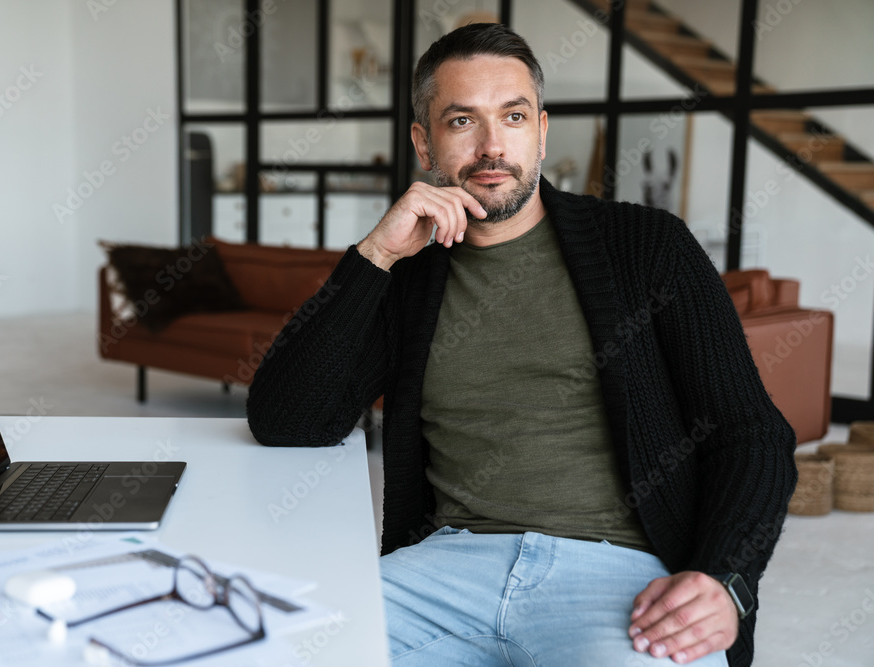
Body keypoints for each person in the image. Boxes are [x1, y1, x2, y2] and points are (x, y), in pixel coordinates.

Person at [247, 22, 796, 667]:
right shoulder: (408, 279)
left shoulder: (646, 248)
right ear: (424, 143)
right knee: (264, 651)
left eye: (511, 117)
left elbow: (751, 431)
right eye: (460, 121)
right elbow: (287, 422)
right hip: (441, 573)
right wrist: (374, 257)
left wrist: (725, 579)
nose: (490, 146)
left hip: (619, 580)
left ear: (540, 130)